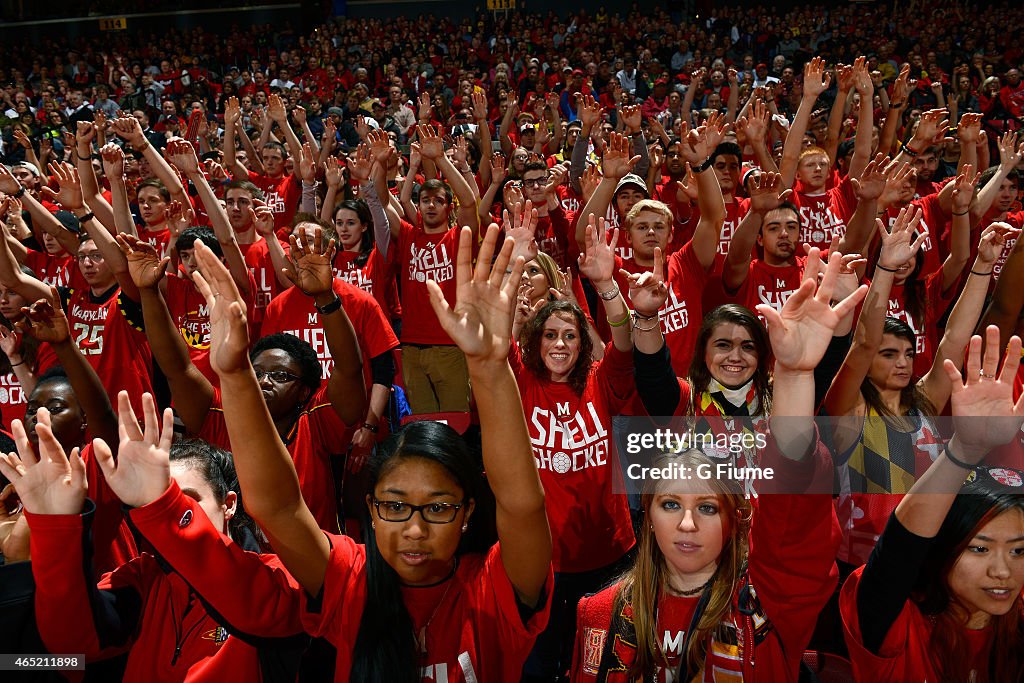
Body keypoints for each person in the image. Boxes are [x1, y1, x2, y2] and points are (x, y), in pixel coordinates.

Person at [114, 224, 552, 682]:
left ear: (467, 513)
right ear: (372, 512)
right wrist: (235, 372)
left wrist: (489, 365)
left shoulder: (496, 586)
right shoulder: (352, 582)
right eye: (396, 506)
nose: (416, 529)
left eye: (439, 507)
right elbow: (278, 508)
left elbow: (522, 503)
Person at [572, 249, 864, 681]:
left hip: (768, 572)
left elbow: (814, 369)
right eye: (723, 344)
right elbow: (651, 374)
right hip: (686, 561)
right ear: (702, 353)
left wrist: (829, 333)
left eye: (748, 346)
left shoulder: (781, 402)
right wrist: (647, 317)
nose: (736, 355)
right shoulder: (685, 401)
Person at [1, 395, 306, 681]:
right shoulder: (143, 575)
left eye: (182, 502)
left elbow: (254, 605)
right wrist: (56, 528)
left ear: (228, 505)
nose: (168, 515)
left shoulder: (281, 576)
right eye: (155, 503)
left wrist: (162, 510)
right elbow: (72, 650)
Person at [120, 226, 367, 532]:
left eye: (280, 375)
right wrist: (149, 291)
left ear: (305, 392)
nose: (264, 381)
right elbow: (178, 369)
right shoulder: (224, 415)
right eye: (258, 372)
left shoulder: (316, 421)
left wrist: (325, 298)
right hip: (240, 563)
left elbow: (350, 370)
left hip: (310, 568)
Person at [822, 207, 1013, 568]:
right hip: (864, 567)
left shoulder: (923, 403)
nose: (903, 363)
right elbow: (863, 342)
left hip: (929, 556)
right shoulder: (849, 409)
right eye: (890, 354)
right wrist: (885, 270)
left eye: (909, 354)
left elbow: (954, 340)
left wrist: (982, 266)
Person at [841, 325, 1024, 682]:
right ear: (941, 549)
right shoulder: (898, 625)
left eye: (1019, 551)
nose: (1002, 571)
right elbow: (898, 553)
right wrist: (965, 450)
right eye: (980, 549)